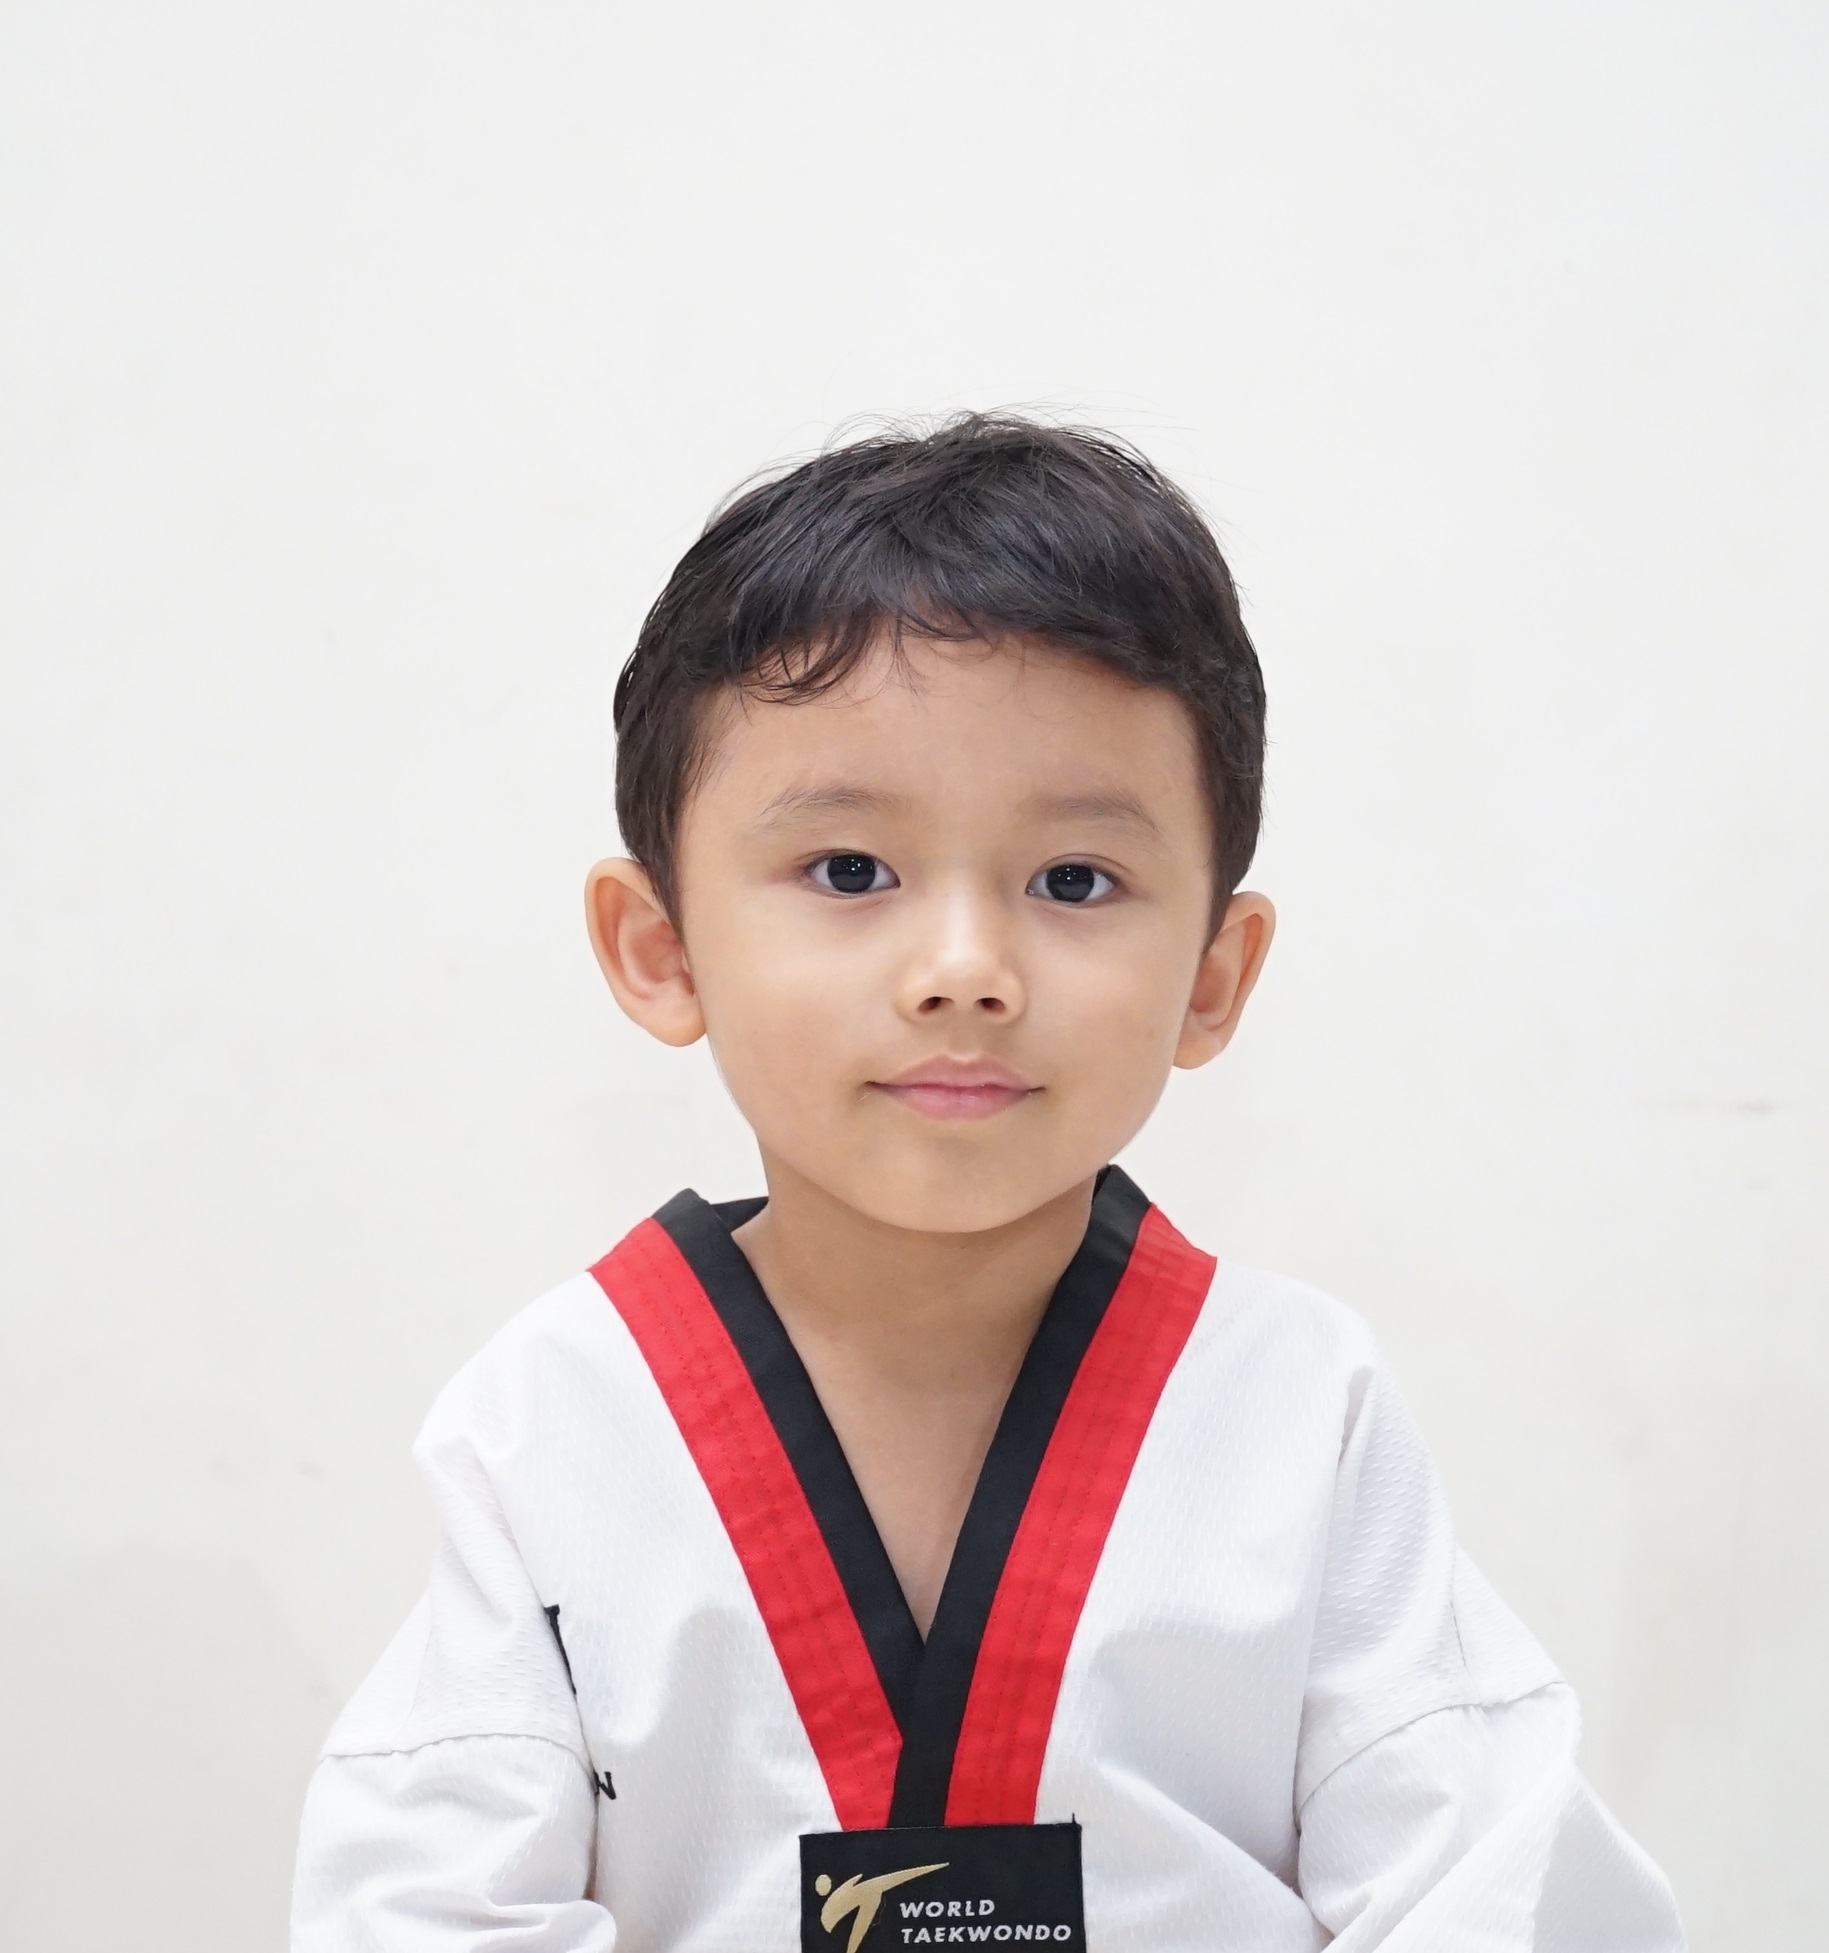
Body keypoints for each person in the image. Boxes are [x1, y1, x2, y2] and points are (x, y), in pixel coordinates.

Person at [291, 416, 1685, 1951]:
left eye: (1073, 880)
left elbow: (1485, 1883)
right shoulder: (551, 1422)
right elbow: (419, 1910)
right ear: (660, 948)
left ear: (1212, 975)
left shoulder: (1301, 1408)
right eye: (848, 871)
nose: (964, 969)